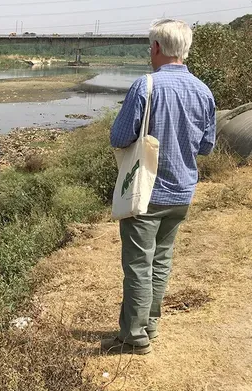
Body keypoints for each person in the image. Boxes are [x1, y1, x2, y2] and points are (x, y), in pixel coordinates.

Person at [102, 19, 217, 355]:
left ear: (156, 48)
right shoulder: (203, 91)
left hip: (145, 192)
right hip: (182, 191)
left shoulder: (146, 86)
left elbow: (120, 137)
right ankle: (150, 325)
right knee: (161, 260)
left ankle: (134, 337)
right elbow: (207, 146)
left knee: (138, 263)